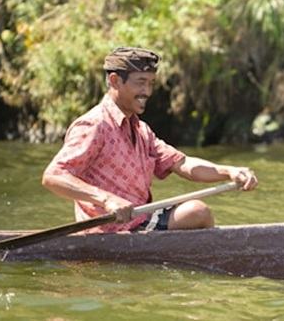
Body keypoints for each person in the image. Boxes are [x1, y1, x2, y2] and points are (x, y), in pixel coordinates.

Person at [42, 47, 257, 233]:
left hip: (141, 221)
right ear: (114, 81)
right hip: (110, 232)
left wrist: (229, 171)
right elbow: (54, 176)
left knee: (197, 213)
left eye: (151, 83)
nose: (147, 91)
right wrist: (106, 199)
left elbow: (182, 164)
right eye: (140, 83)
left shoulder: (141, 129)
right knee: (197, 212)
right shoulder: (94, 125)